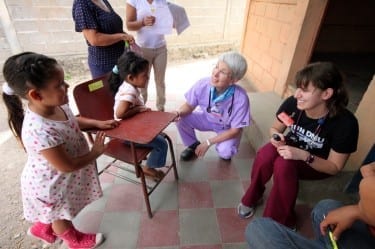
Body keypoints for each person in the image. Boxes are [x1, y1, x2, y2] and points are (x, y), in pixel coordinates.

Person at [2, 52, 120, 248]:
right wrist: (95, 152)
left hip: (58, 180)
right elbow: (67, 165)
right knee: (60, 215)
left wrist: (97, 123)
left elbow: (72, 120)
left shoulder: (56, 105)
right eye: (59, 84)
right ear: (36, 95)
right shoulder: (39, 130)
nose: (66, 87)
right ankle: (73, 240)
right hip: (49, 185)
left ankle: (41, 229)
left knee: (53, 211)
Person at [237, 61, 359, 229]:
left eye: (305, 90)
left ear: (326, 94)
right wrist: (276, 136)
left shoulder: (345, 124)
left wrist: (303, 155)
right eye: (298, 88)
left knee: (284, 164)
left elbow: (334, 167)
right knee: (266, 153)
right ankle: (253, 195)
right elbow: (275, 128)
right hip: (291, 147)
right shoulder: (293, 104)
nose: (297, 95)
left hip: (316, 163)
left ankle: (281, 220)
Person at [245, 162, 375, 249]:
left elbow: (336, 166)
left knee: (258, 229)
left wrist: (359, 211)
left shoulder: (345, 123)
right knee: (325, 207)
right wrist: (357, 211)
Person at [174, 51, 250, 161]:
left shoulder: (241, 98)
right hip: (207, 119)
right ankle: (192, 145)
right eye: (216, 67)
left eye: (223, 72)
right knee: (181, 118)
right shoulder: (202, 84)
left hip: (227, 128)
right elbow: (189, 106)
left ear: (233, 80)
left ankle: (227, 145)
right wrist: (177, 113)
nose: (215, 74)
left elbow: (235, 130)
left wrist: (209, 142)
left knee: (226, 153)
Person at [109, 51, 168, 180]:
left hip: (131, 128)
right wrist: (138, 110)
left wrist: (139, 109)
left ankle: (149, 161)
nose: (148, 77)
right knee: (162, 143)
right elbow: (120, 114)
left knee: (158, 134)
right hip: (125, 135)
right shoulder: (129, 91)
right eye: (145, 75)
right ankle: (148, 168)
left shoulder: (130, 85)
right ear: (131, 78)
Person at [125, 0, 172, 111]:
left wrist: (172, 22)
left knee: (160, 80)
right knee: (142, 80)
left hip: (161, 48)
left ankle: (161, 108)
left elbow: (169, 22)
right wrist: (142, 23)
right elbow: (129, 25)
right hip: (142, 49)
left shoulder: (162, 1)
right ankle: (141, 107)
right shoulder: (134, 1)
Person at [72, 0, 135, 78]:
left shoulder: (103, 1)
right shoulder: (82, 4)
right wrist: (121, 36)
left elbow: (112, 28)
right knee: (108, 89)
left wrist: (126, 36)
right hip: (104, 64)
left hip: (120, 60)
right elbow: (94, 39)